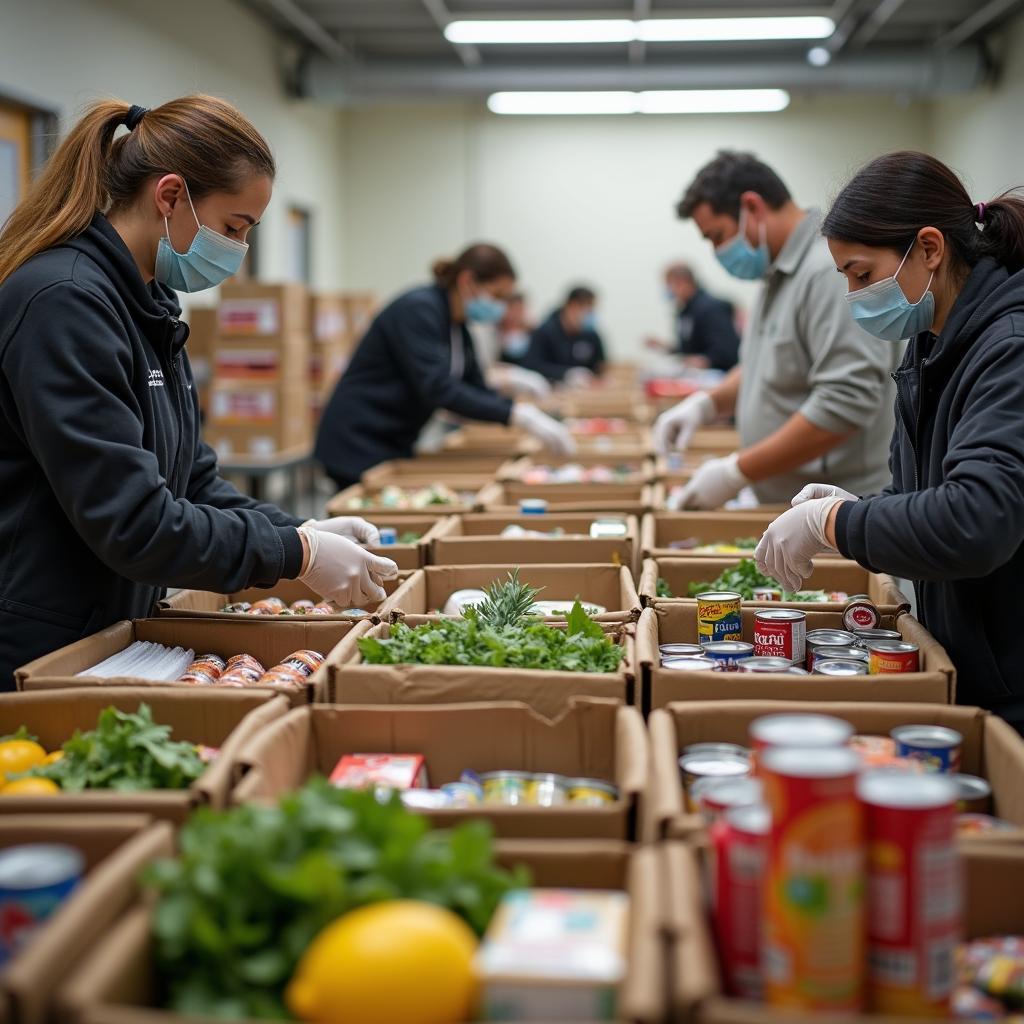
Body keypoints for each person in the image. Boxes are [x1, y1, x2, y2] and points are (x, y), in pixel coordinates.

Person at [0, 96, 398, 690]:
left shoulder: (150, 303)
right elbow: (136, 523)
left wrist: (302, 528)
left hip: (108, 631)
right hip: (40, 644)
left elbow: (191, 481)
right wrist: (297, 555)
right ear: (169, 197)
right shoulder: (65, 303)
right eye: (233, 228)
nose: (236, 253)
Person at [755, 151, 1024, 727]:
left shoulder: (1008, 348)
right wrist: (867, 510)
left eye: (862, 275)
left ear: (929, 249)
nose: (855, 297)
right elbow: (933, 493)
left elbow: (976, 519)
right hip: (976, 662)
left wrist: (831, 523)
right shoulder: (930, 343)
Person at [653, 150, 900, 509]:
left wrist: (736, 472)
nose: (716, 251)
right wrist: (707, 404)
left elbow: (845, 403)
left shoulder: (825, 273)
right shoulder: (778, 275)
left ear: (752, 207)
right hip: (794, 506)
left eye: (717, 236)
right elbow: (764, 366)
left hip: (837, 510)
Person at [315, 245, 573, 488]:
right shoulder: (419, 309)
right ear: (467, 280)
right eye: (496, 295)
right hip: (358, 440)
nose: (500, 307)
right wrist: (517, 415)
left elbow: (475, 387)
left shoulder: (458, 327)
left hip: (393, 440)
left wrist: (521, 411)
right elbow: (439, 388)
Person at [646, 262, 740, 371]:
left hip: (719, 375)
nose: (668, 291)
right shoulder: (686, 311)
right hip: (695, 373)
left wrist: (705, 360)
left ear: (682, 283)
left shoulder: (711, 308)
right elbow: (688, 349)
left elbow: (728, 352)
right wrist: (664, 347)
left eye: (669, 286)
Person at [523, 285, 607, 385]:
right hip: (551, 391)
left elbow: (600, 366)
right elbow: (531, 365)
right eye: (587, 310)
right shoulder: (544, 332)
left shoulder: (591, 335)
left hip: (584, 393)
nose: (590, 315)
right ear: (571, 306)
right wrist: (566, 373)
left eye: (592, 311)